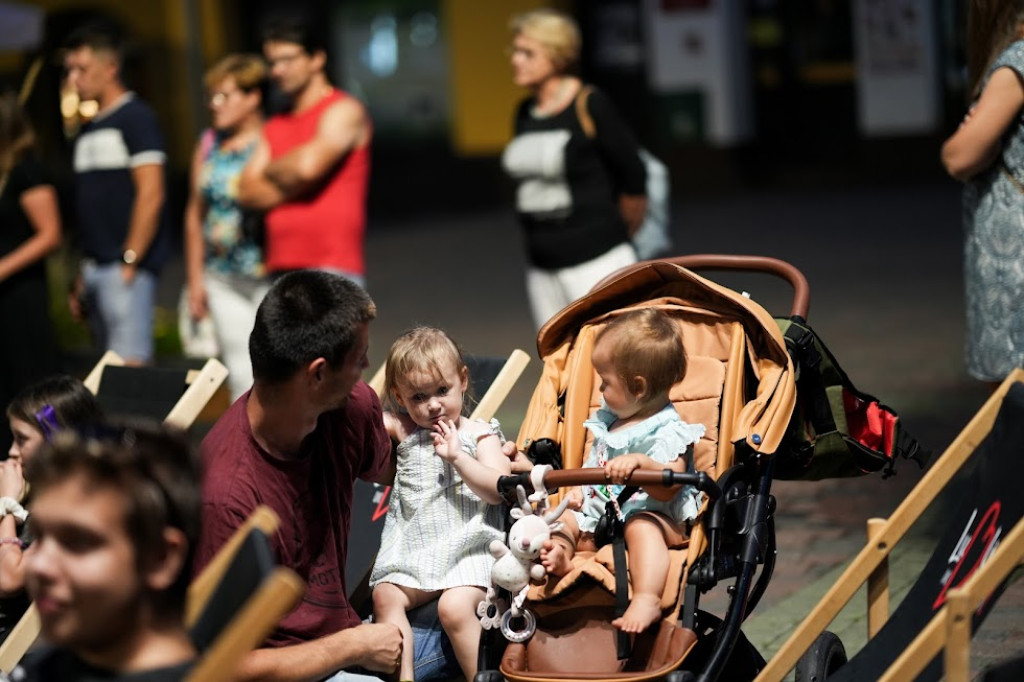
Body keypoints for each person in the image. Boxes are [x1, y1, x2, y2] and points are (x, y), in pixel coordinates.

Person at [193, 270, 403, 682]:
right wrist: (354, 646)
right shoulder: (225, 497)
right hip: (285, 668)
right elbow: (220, 667)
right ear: (317, 374)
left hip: (356, 628)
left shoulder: (351, 408)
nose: (366, 367)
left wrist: (469, 447)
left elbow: (393, 471)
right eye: (359, 357)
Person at [539, 308, 704, 634]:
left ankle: (646, 597)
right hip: (600, 517)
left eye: (605, 383)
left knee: (641, 527)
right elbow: (594, 465)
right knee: (561, 522)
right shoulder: (608, 423)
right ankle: (560, 557)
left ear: (638, 387)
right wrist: (580, 491)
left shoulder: (671, 430)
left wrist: (643, 465)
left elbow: (670, 484)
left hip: (657, 517)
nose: (600, 391)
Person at [371, 328, 510, 682]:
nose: (433, 404)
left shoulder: (480, 434)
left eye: (442, 391)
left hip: (469, 549)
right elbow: (366, 413)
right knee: (385, 595)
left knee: (454, 608)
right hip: (419, 553)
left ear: (462, 380)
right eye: (419, 396)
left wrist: (459, 459)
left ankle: (479, 676)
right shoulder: (408, 432)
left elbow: (498, 488)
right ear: (400, 398)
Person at [15, 421, 200, 680]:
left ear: (161, 558)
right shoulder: (82, 648)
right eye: (39, 536)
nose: (38, 566)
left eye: (77, 542)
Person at [501, 8, 646, 331]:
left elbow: (633, 176)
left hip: (596, 262)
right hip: (542, 267)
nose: (515, 60)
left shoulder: (589, 103)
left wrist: (610, 237)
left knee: (611, 358)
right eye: (515, 51)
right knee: (559, 365)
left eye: (527, 52)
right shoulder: (524, 111)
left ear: (557, 55)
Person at [64, 21, 170, 365]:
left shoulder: (136, 117)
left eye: (82, 69)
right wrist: (83, 271)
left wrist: (130, 259)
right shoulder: (89, 128)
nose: (74, 79)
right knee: (106, 372)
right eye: (70, 71)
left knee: (129, 371)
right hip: (95, 267)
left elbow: (151, 192)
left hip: (123, 268)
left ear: (110, 67)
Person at [238, 17, 372, 287]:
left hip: (333, 268)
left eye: (287, 60)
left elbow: (307, 168)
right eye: (273, 62)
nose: (278, 70)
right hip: (280, 269)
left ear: (317, 59)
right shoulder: (275, 123)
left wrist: (270, 170)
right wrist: (296, 178)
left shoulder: (344, 110)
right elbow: (246, 191)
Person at [942, 1, 1024, 388]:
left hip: (1013, 264)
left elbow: (961, 156)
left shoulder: (1016, 64)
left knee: (1011, 403)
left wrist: (969, 136)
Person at [184, 53, 269, 401]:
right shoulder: (208, 144)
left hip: (269, 273)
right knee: (239, 371)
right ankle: (244, 452)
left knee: (278, 367)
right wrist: (195, 279)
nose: (214, 105)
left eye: (225, 95)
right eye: (212, 96)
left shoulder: (274, 138)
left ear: (253, 97)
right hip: (221, 276)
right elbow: (194, 212)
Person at [0, 375, 102, 644]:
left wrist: (7, 505)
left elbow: (8, 579)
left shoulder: (75, 505)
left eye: (21, 440)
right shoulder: (39, 491)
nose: (12, 451)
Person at [0, 92, 62, 453]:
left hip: (22, 296)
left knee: (33, 383)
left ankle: (51, 456)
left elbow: (50, 234)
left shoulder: (27, 171)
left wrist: (4, 267)